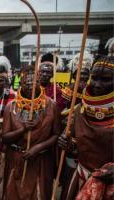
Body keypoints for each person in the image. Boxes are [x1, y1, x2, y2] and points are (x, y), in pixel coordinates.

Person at [58, 55, 114, 199]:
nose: (97, 84)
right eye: (94, 78)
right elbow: (78, 147)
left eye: (106, 79)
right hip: (81, 179)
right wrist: (68, 144)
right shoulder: (79, 110)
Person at [1, 65, 60, 200]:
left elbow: (56, 134)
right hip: (16, 159)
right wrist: (23, 129)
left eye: (34, 83)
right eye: (26, 83)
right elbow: (4, 137)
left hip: (40, 160)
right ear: (21, 84)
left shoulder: (52, 105)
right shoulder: (11, 107)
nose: (30, 86)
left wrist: (37, 148)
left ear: (40, 83)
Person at [59, 51, 93, 200]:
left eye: (86, 75)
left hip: (89, 138)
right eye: (80, 74)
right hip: (71, 132)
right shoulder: (71, 88)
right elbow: (65, 110)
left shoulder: (94, 90)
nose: (83, 78)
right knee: (69, 177)